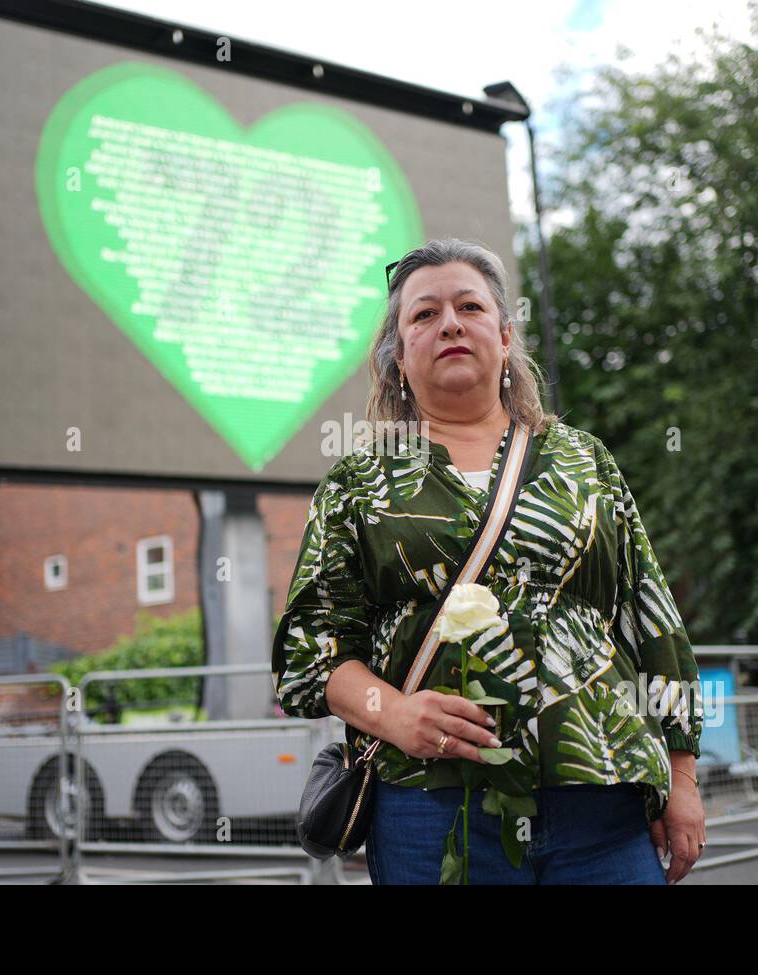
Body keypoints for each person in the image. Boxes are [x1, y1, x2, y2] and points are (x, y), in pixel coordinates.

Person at [271, 237, 706, 884]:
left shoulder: (583, 461)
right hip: (432, 807)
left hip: (602, 804)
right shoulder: (358, 485)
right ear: (396, 358)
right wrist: (393, 713)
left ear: (504, 338)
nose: (449, 322)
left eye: (469, 307)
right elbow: (310, 655)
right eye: (423, 314)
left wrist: (681, 776)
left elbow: (654, 621)